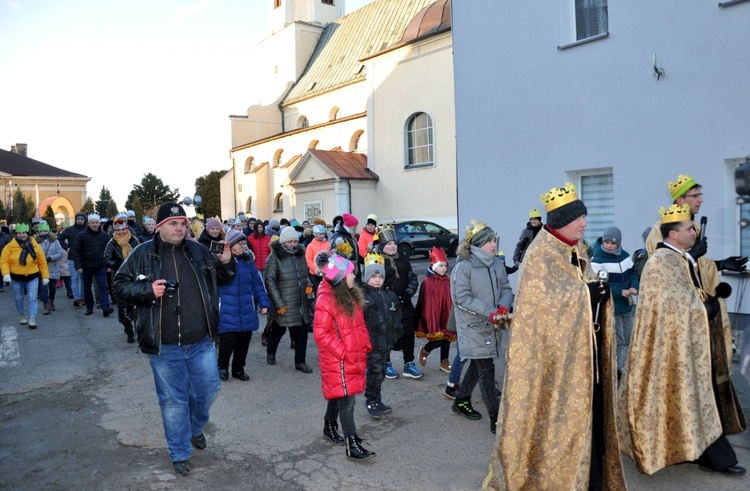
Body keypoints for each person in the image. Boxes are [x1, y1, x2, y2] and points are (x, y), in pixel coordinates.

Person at [484, 183, 625, 490]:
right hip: (552, 362)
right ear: (562, 220)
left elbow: (578, 289)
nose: (585, 224)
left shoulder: (575, 248)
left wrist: (596, 296)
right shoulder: (541, 253)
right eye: (579, 219)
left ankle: (590, 479)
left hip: (582, 356)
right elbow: (542, 308)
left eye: (584, 218)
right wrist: (584, 296)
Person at [618, 204, 746, 477]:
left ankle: (705, 453)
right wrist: (702, 308)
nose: (695, 232)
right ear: (673, 234)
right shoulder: (660, 262)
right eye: (689, 229)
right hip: (670, 347)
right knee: (685, 398)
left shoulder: (681, 258)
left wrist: (708, 298)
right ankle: (710, 456)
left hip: (690, 342)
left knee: (694, 398)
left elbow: (687, 292)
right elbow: (665, 303)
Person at [111, 202, 235, 475]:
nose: (180, 228)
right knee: (173, 400)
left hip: (201, 340)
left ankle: (193, 427)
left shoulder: (199, 251)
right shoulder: (142, 253)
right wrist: (146, 290)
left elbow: (223, 280)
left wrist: (227, 262)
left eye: (183, 223)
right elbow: (118, 286)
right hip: (164, 345)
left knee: (208, 390)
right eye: (173, 223)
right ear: (159, 227)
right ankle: (180, 452)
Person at [449, 221, 512, 435]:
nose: (494, 245)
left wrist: (503, 305)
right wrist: (489, 311)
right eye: (490, 241)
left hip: (493, 323)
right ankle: (496, 419)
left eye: (495, 240)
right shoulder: (463, 267)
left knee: (478, 364)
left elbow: (506, 288)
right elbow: (461, 299)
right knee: (486, 368)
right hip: (473, 325)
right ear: (478, 244)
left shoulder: (496, 264)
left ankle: (461, 400)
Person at [313, 250, 375, 461]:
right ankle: (352, 443)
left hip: (352, 354)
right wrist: (342, 352)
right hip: (338, 359)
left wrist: (365, 344)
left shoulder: (349, 295)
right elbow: (321, 333)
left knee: (339, 393)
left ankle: (329, 424)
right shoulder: (326, 300)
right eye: (350, 273)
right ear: (339, 277)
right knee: (347, 400)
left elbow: (359, 325)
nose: (354, 277)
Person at [217, 229, 271, 381]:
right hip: (228, 309)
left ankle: (238, 369)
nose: (244, 246)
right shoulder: (221, 263)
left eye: (244, 243)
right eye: (240, 244)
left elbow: (257, 284)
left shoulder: (248, 263)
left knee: (243, 344)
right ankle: (222, 367)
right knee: (227, 343)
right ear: (231, 245)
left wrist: (264, 301)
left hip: (247, 309)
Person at [264, 226, 314, 373]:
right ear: (283, 243)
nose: (293, 244)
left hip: (300, 301)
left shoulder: (300, 255)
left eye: (295, 241)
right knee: (278, 330)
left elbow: (305, 274)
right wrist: (278, 303)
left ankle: (300, 361)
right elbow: (270, 281)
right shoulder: (274, 258)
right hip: (284, 302)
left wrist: (309, 284)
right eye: (290, 242)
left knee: (302, 331)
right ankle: (271, 352)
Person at [591, 226, 639, 378]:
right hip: (613, 306)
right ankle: (617, 369)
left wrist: (633, 286)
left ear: (619, 243)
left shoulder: (624, 256)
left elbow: (633, 273)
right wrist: (619, 291)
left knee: (629, 335)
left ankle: (626, 365)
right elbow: (599, 284)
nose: (610, 246)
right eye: (607, 242)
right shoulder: (597, 260)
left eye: (613, 243)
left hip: (627, 305)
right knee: (618, 339)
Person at [360, 252, 402, 419]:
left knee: (382, 372)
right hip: (371, 342)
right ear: (367, 277)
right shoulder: (363, 295)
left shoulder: (389, 294)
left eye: (380, 276)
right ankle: (371, 400)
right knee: (374, 373)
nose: (377, 279)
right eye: (374, 276)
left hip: (386, 341)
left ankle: (378, 399)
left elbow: (397, 314)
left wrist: (397, 333)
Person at [377, 226, 422, 379]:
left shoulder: (403, 260)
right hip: (386, 305)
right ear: (383, 245)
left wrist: (407, 293)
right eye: (389, 243)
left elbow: (413, 279)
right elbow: (374, 283)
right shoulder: (377, 261)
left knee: (409, 334)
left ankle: (409, 364)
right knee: (388, 334)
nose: (392, 246)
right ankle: (386, 364)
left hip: (405, 303)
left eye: (394, 243)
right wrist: (389, 297)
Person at [1, 223, 49, 328]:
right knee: (18, 298)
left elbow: (42, 261)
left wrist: (45, 276)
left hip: (32, 276)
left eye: (23, 233)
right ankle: (22, 314)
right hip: (16, 277)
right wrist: (6, 274)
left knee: (32, 297)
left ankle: (32, 317)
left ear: (27, 233)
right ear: (16, 234)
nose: (21, 235)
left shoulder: (35, 245)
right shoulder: (9, 247)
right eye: (19, 233)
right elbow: (4, 260)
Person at [416, 246, 455, 373]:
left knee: (448, 335)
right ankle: (426, 349)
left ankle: (444, 361)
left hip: (446, 312)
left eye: (445, 265)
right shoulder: (428, 281)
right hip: (433, 313)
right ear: (434, 266)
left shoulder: (447, 280)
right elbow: (426, 301)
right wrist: (430, 317)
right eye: (440, 266)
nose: (444, 268)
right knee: (439, 338)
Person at [104, 213, 140, 343]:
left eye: (123, 229)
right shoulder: (112, 243)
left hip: (134, 276)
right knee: (123, 304)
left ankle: (139, 328)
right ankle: (128, 329)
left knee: (136, 303)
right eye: (118, 230)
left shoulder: (134, 241)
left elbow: (140, 256)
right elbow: (107, 259)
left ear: (127, 229)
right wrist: (119, 264)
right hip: (119, 276)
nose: (121, 232)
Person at [73, 213, 114, 317]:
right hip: (86, 265)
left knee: (102, 286)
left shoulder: (104, 236)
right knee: (87, 288)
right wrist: (78, 266)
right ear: (89, 224)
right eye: (93, 223)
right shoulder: (82, 235)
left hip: (100, 265)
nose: (95, 224)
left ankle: (105, 307)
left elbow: (110, 251)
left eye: (96, 222)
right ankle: (89, 307)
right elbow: (76, 251)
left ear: (99, 223)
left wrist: (109, 265)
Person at [58, 212, 87, 306]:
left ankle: (83, 297)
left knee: (84, 280)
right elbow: (60, 238)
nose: (80, 220)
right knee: (74, 279)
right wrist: (67, 248)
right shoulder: (70, 230)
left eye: (82, 219)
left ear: (85, 220)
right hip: (72, 258)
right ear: (75, 219)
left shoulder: (88, 229)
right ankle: (77, 298)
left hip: (85, 258)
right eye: (78, 219)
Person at [36, 221, 64, 314]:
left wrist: (50, 258)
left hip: (53, 267)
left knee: (52, 288)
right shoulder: (36, 242)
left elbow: (60, 253)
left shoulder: (55, 241)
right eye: (41, 231)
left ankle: (51, 301)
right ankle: (46, 305)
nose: (43, 233)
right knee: (43, 288)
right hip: (41, 268)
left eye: (45, 231)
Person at [330, 213, 360, 277]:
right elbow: (343, 256)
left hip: (352, 268)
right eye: (354, 226)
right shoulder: (340, 237)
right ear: (347, 226)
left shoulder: (348, 235)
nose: (355, 228)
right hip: (346, 271)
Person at [305, 224, 330, 294]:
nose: (322, 236)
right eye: (320, 234)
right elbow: (308, 260)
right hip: (315, 274)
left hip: (327, 272)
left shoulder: (328, 244)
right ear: (315, 234)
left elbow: (331, 256)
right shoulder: (310, 246)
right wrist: (315, 268)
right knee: (318, 291)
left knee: (328, 291)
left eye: (323, 234)